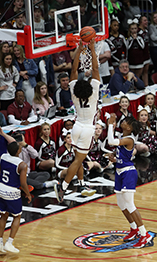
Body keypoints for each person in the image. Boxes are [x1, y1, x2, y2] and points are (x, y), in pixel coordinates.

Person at [54, 39, 101, 202]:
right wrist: (92, 49)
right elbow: (95, 68)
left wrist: (80, 49)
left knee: (77, 159)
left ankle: (81, 183)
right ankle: (63, 187)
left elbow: (74, 69)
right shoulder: (94, 92)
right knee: (78, 160)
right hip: (88, 129)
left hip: (76, 127)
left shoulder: (73, 91)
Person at [106, 114, 153, 248]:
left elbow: (111, 141)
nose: (123, 122)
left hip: (128, 173)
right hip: (120, 171)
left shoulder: (129, 139)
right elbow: (124, 156)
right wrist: (115, 160)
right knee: (121, 204)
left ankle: (145, 235)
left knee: (130, 204)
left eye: (126, 121)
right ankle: (134, 229)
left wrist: (110, 124)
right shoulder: (123, 137)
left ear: (130, 127)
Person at [0, 141, 32, 253]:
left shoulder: (3, 157)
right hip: (11, 191)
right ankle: (9, 243)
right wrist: (28, 194)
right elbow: (23, 184)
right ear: (18, 151)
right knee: (17, 216)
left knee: (3, 215)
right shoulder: (22, 164)